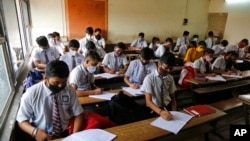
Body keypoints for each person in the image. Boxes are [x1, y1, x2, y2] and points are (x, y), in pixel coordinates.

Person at [16, 60, 84, 140]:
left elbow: (78, 114)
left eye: (64, 82)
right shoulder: (31, 94)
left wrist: (74, 135)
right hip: (41, 134)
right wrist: (34, 132)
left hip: (66, 132)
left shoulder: (69, 89)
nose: (60, 86)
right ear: (45, 78)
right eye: (56, 83)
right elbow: (21, 120)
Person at [141, 52, 177, 121]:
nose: (168, 70)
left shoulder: (170, 78)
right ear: (159, 63)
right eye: (166, 68)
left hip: (167, 106)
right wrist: (161, 112)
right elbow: (148, 101)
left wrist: (174, 112)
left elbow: (173, 98)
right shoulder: (149, 78)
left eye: (171, 69)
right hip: (155, 109)